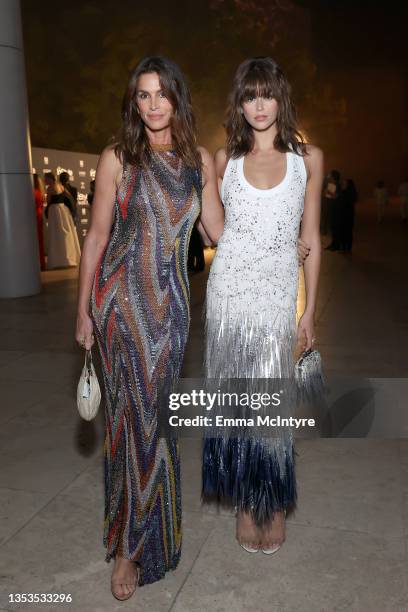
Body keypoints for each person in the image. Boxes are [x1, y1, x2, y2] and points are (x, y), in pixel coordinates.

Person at [75, 56, 224, 602]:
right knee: (127, 424)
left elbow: (217, 232)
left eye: (162, 93)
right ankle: (129, 548)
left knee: (154, 423)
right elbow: (96, 237)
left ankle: (149, 534)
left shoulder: (196, 160)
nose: (153, 104)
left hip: (170, 310)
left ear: (177, 98)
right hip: (119, 304)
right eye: (143, 95)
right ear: (134, 102)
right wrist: (83, 308)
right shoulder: (118, 156)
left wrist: (278, 244)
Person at [202, 57, 322, 554]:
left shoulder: (307, 158)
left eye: (266, 94)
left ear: (281, 98)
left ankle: (271, 503)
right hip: (228, 296)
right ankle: (247, 505)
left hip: (276, 299)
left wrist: (308, 310)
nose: (258, 105)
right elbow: (214, 232)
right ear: (240, 101)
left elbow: (310, 235)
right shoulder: (222, 160)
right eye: (250, 95)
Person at [44, 172, 81, 269]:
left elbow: (48, 202)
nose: (45, 181)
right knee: (66, 234)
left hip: (54, 212)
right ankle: (69, 258)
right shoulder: (61, 186)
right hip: (64, 211)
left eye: (46, 179)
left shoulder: (49, 188)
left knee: (56, 235)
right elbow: (69, 198)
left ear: (50, 179)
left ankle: (58, 260)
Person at [339, 177, 358, 252]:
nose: (343, 184)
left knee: (345, 231)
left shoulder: (346, 193)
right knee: (348, 231)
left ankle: (345, 247)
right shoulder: (351, 192)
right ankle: (347, 248)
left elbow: (344, 202)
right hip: (349, 214)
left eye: (345, 183)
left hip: (345, 214)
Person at [324, 169, 341, 250]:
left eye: (330, 175)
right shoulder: (329, 184)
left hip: (336, 209)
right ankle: (333, 243)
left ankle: (336, 244)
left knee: (335, 227)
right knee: (332, 227)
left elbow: (336, 196)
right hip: (330, 207)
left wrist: (329, 193)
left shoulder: (338, 185)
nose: (328, 176)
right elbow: (326, 195)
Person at [33, 173, 46, 270]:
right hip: (39, 215)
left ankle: (39, 263)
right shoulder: (40, 192)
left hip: (34, 217)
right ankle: (42, 263)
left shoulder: (33, 192)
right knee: (40, 241)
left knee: (36, 241)